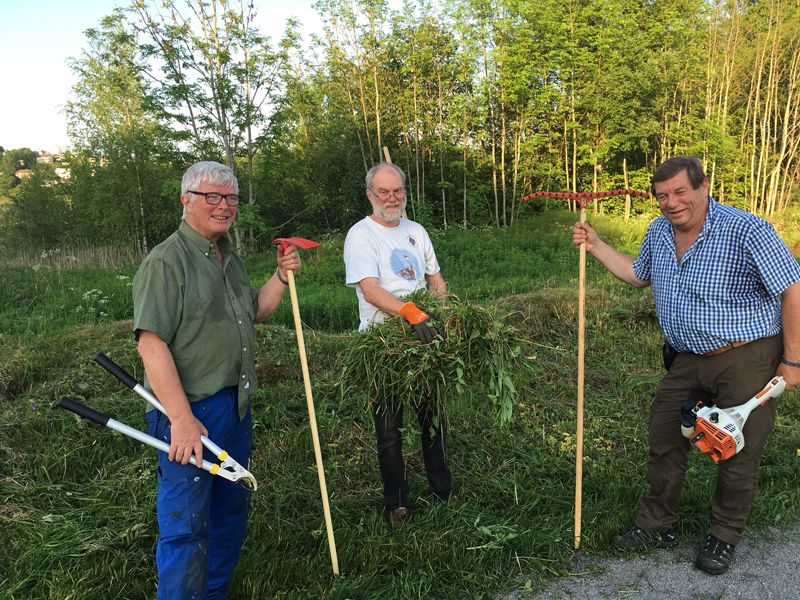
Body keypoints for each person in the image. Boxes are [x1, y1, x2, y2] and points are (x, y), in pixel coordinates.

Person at [572, 156, 800, 575]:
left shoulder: (747, 230)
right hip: (686, 356)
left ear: (703, 187)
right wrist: (596, 245)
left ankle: (724, 534)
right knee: (664, 434)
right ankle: (656, 525)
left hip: (746, 355)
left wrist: (792, 360)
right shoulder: (658, 232)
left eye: (679, 191)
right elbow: (638, 275)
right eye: (662, 195)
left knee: (735, 446)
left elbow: (792, 289)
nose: (671, 202)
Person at [132, 161, 301, 599]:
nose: (224, 206)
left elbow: (256, 310)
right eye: (212, 196)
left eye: (231, 198)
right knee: (187, 525)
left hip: (234, 408)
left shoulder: (229, 257)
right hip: (190, 414)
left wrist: (281, 276)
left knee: (229, 511)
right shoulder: (166, 262)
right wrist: (182, 420)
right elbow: (151, 346)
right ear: (186, 201)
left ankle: (212, 593)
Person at [343, 162, 453, 528]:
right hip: (382, 343)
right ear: (370, 195)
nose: (392, 199)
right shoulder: (360, 235)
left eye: (398, 191)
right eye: (384, 192)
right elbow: (370, 290)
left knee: (434, 419)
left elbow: (436, 279)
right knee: (389, 431)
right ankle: (397, 503)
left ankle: (442, 490)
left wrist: (443, 312)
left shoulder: (416, 231)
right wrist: (410, 312)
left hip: (424, 337)